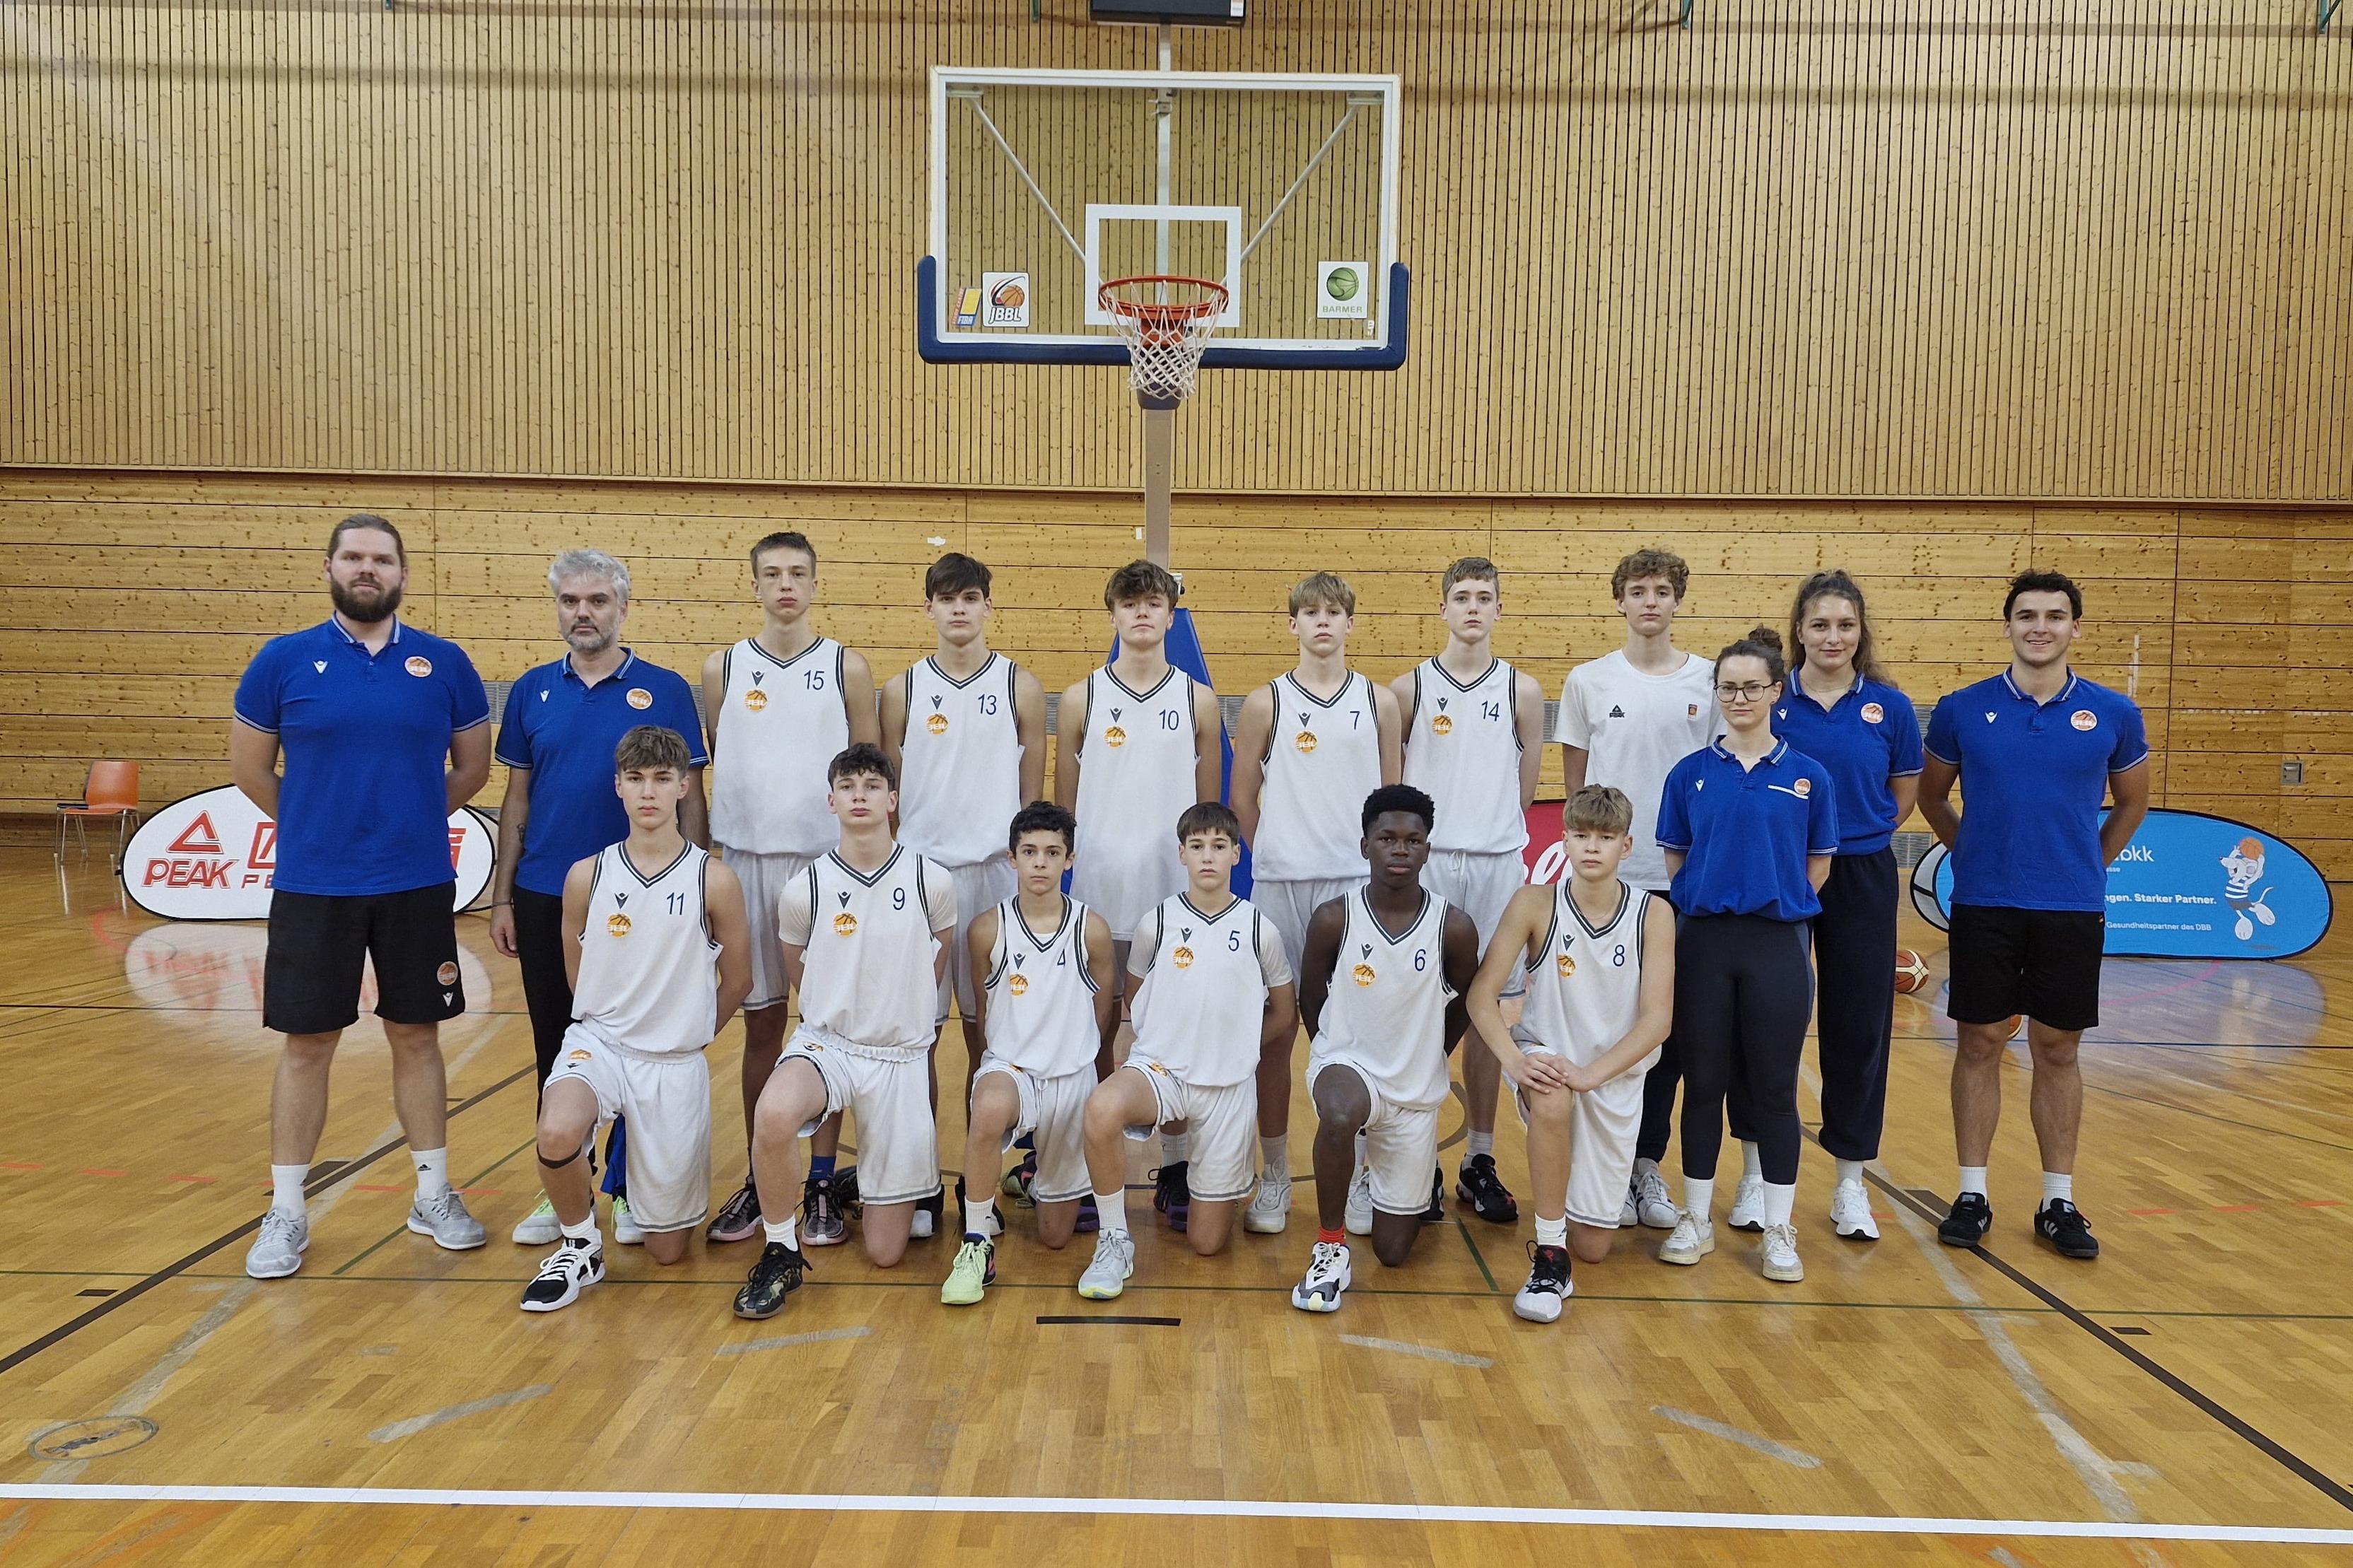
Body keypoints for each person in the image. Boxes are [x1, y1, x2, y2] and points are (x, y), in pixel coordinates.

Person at [232, 515, 493, 1280]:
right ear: (329, 568)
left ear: (403, 574)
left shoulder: (445, 662)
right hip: (315, 886)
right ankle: (287, 1210)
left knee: (417, 1036)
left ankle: (433, 1194)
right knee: (308, 1043)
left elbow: (472, 769)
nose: (367, 569)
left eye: (381, 559)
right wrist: (318, 826)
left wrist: (407, 821)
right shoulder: (282, 660)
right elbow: (251, 770)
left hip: (416, 881)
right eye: (353, 557)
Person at [1919, 570, 2149, 1260]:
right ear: (2008, 626)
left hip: (2070, 908)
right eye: (2026, 615)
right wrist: (1972, 852)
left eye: (2053, 616)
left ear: (2075, 627)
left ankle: (2057, 1201)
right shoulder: (1962, 709)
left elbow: (2132, 802)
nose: (2039, 627)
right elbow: (1932, 797)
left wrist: (2088, 864)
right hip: (1985, 904)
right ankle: (1971, 1193)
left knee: (2058, 1049)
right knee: (1979, 1044)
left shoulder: (2114, 713)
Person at [489, 549, 708, 1248]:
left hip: (643, 901)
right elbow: (516, 797)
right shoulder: (531, 691)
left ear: (622, 608)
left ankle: (631, 1186)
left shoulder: (665, 689)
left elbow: (692, 797)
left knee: (642, 1042)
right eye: (570, 601)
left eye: (597, 601)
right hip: (546, 893)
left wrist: (697, 888)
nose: (583, 612)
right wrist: (502, 897)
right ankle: (567, 1186)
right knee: (558, 1043)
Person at [520, 727, 752, 1312]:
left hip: (672, 1063)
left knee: (667, 1251)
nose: (649, 792)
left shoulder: (714, 879)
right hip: (600, 1045)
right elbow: (577, 968)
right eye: (636, 779)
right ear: (618, 786)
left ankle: (636, 1195)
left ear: (683, 787)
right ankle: (580, 1246)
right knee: (556, 1129)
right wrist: (604, 1024)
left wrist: (691, 1033)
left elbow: (739, 981)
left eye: (662, 779)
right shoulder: (587, 875)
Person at [732, 744, 954, 1318]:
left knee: (886, 1254)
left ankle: (877, 1184)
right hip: (827, 1044)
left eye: (872, 786)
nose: (860, 796)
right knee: (774, 1113)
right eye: (848, 787)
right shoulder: (803, 888)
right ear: (831, 801)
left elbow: (934, 964)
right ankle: (780, 1251)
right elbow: (800, 974)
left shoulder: (931, 880)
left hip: (899, 1056)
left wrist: (891, 1011)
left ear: (892, 799)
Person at [703, 532, 879, 1249]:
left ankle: (821, 1180)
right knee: (762, 1025)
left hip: (824, 868)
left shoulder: (846, 667)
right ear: (754, 586)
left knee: (827, 1029)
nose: (785, 585)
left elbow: (869, 770)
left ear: (814, 584)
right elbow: (724, 755)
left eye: (797, 573)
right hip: (746, 862)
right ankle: (761, 1175)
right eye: (772, 574)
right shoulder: (722, 667)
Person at [1653, 628, 1838, 1285]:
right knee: (1703, 1085)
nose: (1739, 698)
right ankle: (1696, 1217)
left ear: (1775, 691)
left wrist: (1775, 899)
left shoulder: (1809, 776)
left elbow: (1819, 864)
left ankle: (1779, 1229)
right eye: (1728, 687)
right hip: (1704, 943)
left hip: (1777, 946)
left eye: (1752, 687)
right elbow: (1676, 858)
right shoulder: (1690, 774)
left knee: (1775, 1090)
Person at [1555, 547, 1722, 1235]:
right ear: (1619, 600)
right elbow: (1576, 789)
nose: (1650, 601)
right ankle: (1603, 1165)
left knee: (1666, 1034)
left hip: (1681, 882)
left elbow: (1721, 777)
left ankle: (1645, 1163)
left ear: (1677, 599)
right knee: (1604, 1025)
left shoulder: (1709, 680)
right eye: (1638, 590)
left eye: (1661, 590)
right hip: (1609, 887)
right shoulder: (1589, 681)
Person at [1231, 572, 1401, 1237]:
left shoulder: (1379, 702)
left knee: (1358, 1038)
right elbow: (1241, 798)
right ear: (1292, 624)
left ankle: (1357, 1175)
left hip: (1355, 890)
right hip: (1281, 886)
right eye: (1310, 612)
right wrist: (1277, 854)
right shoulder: (1265, 703)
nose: (1323, 622)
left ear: (1351, 624)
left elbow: (1392, 803)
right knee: (1275, 1036)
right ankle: (1274, 1175)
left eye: (1334, 612)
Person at [1056, 561, 1224, 1230]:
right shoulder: (1082, 698)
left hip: (1170, 898)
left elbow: (1208, 816)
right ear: (1113, 616)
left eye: (1154, 603)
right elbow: (1063, 817)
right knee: (1092, 1033)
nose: (1143, 614)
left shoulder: (1199, 701)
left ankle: (1175, 1167)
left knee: (1171, 1035)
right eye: (1130, 604)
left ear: (1171, 614)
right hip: (1098, 893)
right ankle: (1086, 1171)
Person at [1468, 785, 1676, 1323]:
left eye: (1605, 837)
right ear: (1564, 840)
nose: (1592, 847)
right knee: (1551, 1095)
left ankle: (1576, 1233)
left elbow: (1658, 1021)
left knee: (1596, 1247)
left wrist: (1590, 1075)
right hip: (1546, 1056)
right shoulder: (1535, 903)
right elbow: (1481, 995)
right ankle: (1549, 1254)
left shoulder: (1653, 914)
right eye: (1581, 835)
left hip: (1612, 1076)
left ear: (1626, 846)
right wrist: (1516, 1063)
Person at [1073, 804, 1297, 1299]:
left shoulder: (1260, 929)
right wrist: (1172, 1036)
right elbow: (1136, 996)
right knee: (1101, 1107)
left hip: (1227, 1087)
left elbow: (1285, 1012)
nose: (1208, 857)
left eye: (1219, 846)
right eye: (1197, 847)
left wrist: (1237, 1043)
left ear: (1236, 854)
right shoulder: (1156, 922)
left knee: (1207, 1243)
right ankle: (1114, 1240)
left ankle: (1219, 1181)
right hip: (1162, 1071)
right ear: (1182, 854)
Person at [1394, 556, 1546, 1227]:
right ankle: (1415, 1156)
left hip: (1494, 864)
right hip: (1427, 865)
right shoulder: (1408, 689)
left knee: (1490, 1009)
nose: (1474, 608)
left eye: (1485, 597)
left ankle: (1479, 1157)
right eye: (1462, 597)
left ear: (1499, 610)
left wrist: (1488, 834)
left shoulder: (1523, 691)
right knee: (1421, 1008)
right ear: (1443, 609)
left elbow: (1525, 788)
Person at [1770, 571, 1922, 1241]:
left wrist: (1856, 836)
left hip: (1861, 874)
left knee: (1859, 1028)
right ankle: (1759, 1175)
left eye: (1846, 626)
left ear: (1861, 633)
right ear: (1799, 632)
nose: (1833, 637)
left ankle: (1851, 1183)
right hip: (1780, 871)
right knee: (1770, 1020)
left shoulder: (1890, 708)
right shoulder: (1773, 700)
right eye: (1820, 625)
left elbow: (1904, 793)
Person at [1288, 785, 1478, 1312]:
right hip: (1348, 1065)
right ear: (1365, 845)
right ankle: (1330, 1248)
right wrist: (1329, 1052)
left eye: (1413, 840)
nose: (1400, 849)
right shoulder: (1335, 918)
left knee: (1393, 1252)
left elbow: (1467, 1001)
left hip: (1414, 1090)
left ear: (1427, 850)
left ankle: (1380, 1178)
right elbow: (1310, 997)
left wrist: (1433, 1053)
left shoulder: (1454, 927)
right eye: (1387, 838)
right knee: (1340, 1112)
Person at [880, 554, 1046, 1106]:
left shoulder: (1020, 685)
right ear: (928, 608)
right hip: (922, 876)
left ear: (988, 607)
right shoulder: (902, 690)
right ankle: (920, 1153)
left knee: (992, 1033)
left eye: (970, 598)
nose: (958, 609)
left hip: (995, 875)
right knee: (918, 1035)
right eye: (947, 599)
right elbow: (890, 796)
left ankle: (987, 1148)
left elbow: (1031, 799)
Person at [941, 802, 1117, 1306]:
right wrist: (994, 1066)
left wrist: (1071, 1054)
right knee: (988, 1106)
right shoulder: (986, 929)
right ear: (1012, 858)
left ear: (1070, 859)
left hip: (1071, 1077)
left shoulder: (1092, 929)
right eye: (1030, 852)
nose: (1040, 862)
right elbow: (982, 1013)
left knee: (1056, 1236)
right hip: (1012, 1069)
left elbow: (1102, 1012)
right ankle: (976, 1243)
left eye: (1052, 853)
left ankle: (1030, 1178)